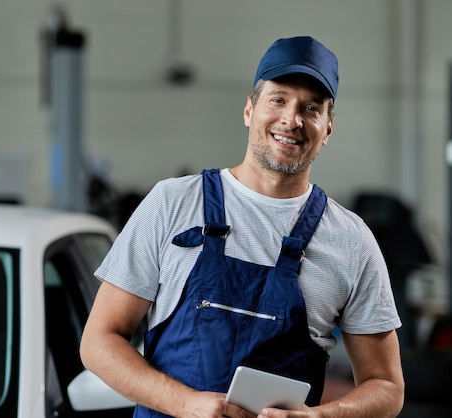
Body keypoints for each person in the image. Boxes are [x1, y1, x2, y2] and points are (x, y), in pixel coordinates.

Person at [80, 36, 405, 418]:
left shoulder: (352, 242)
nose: (292, 119)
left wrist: (320, 417)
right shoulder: (172, 204)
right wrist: (185, 404)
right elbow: (98, 342)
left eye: (311, 108)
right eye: (278, 99)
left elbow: (386, 386)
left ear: (328, 129)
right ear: (250, 109)